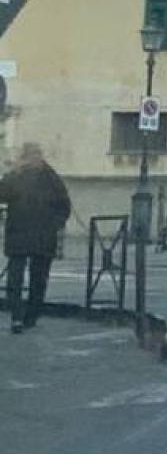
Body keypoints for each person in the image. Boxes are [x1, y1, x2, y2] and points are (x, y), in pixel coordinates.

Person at [0, 142, 72, 333]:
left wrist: (55, 224)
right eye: (30, 155)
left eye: (36, 155)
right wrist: (11, 173)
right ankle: (17, 317)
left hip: (40, 235)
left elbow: (64, 205)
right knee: (17, 278)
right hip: (22, 234)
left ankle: (30, 316)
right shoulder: (17, 176)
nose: (33, 159)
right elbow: (2, 195)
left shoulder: (50, 177)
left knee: (37, 278)